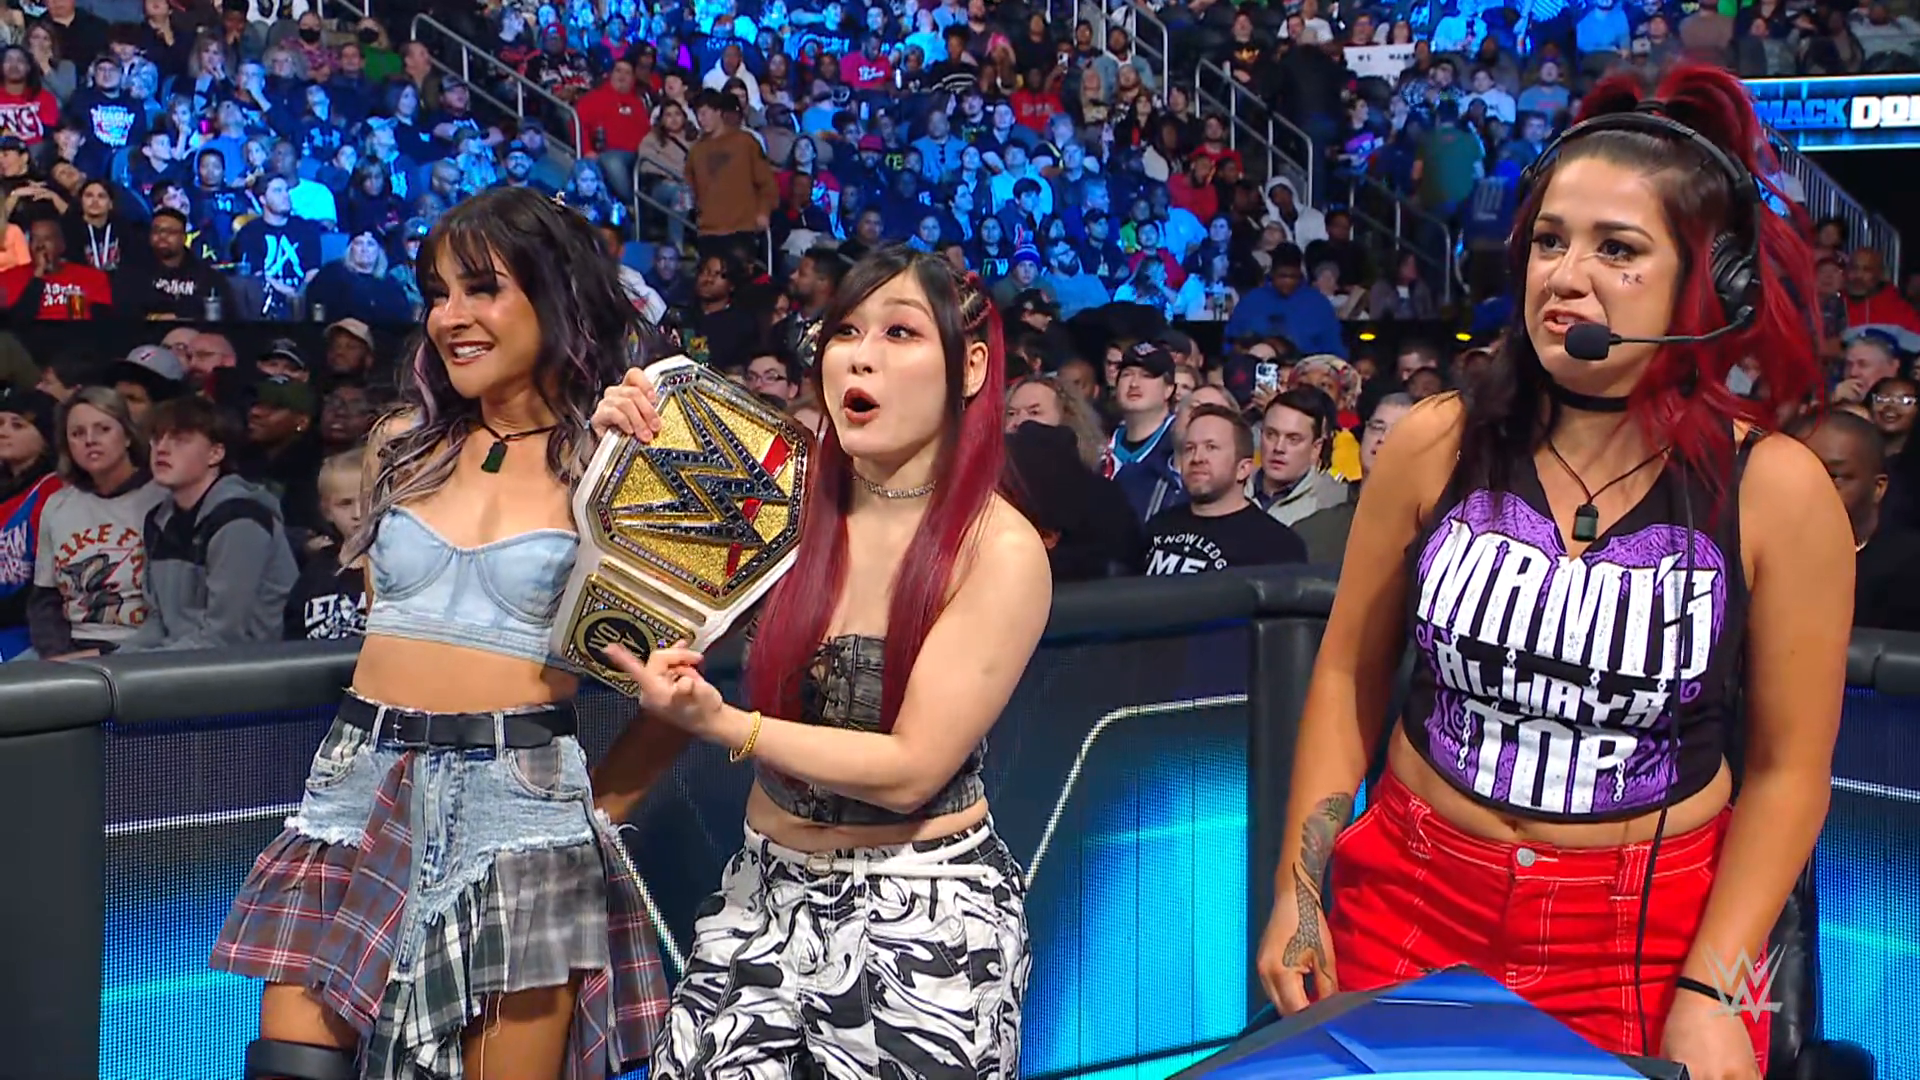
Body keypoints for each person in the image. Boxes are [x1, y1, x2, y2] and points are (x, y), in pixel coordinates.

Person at [1254, 64, 1849, 1080]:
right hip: (1409, 896)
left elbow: (1791, 772)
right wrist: (1298, 894)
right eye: (1549, 241)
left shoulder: (1777, 489)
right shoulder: (1435, 441)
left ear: (1705, 283)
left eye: (1617, 248)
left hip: (1648, 941)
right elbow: (1350, 673)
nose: (1565, 277)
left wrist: (1715, 988)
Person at [209, 187, 673, 1080]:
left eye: (481, 288)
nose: (450, 317)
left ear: (555, 294)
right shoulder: (401, 443)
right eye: (437, 293)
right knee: (291, 1064)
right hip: (358, 783)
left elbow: (676, 692)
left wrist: (588, 821)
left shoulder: (619, 463)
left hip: (518, 806)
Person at [597, 245, 1051, 1079]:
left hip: (923, 917)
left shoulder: (999, 549)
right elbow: (630, 594)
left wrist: (730, 726)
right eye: (845, 331)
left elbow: (911, 771)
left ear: (971, 367)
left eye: (900, 332)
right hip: (762, 893)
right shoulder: (785, 503)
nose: (861, 356)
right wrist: (614, 456)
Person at [122, 395, 299, 651]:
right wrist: (114, 663)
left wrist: (145, 667)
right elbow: (158, 622)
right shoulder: (159, 520)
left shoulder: (240, 520)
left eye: (180, 440)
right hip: (180, 659)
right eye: (157, 439)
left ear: (215, 453)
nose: (162, 449)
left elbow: (226, 636)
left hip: (245, 664)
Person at [1146, 403, 1307, 574]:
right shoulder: (1158, 525)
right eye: (1190, 448)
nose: (1197, 458)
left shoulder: (1277, 546)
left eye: (1211, 447)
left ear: (1243, 469)